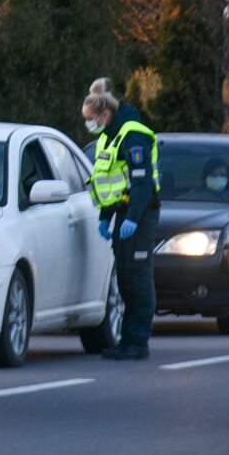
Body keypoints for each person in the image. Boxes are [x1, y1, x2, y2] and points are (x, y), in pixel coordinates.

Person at [83, 84, 161, 360]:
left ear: (104, 114)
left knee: (138, 278)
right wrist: (106, 217)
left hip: (140, 214)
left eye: (91, 118)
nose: (88, 123)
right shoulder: (108, 137)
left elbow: (141, 185)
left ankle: (138, 342)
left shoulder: (133, 136)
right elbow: (108, 183)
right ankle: (127, 340)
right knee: (125, 279)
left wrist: (132, 220)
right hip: (122, 214)